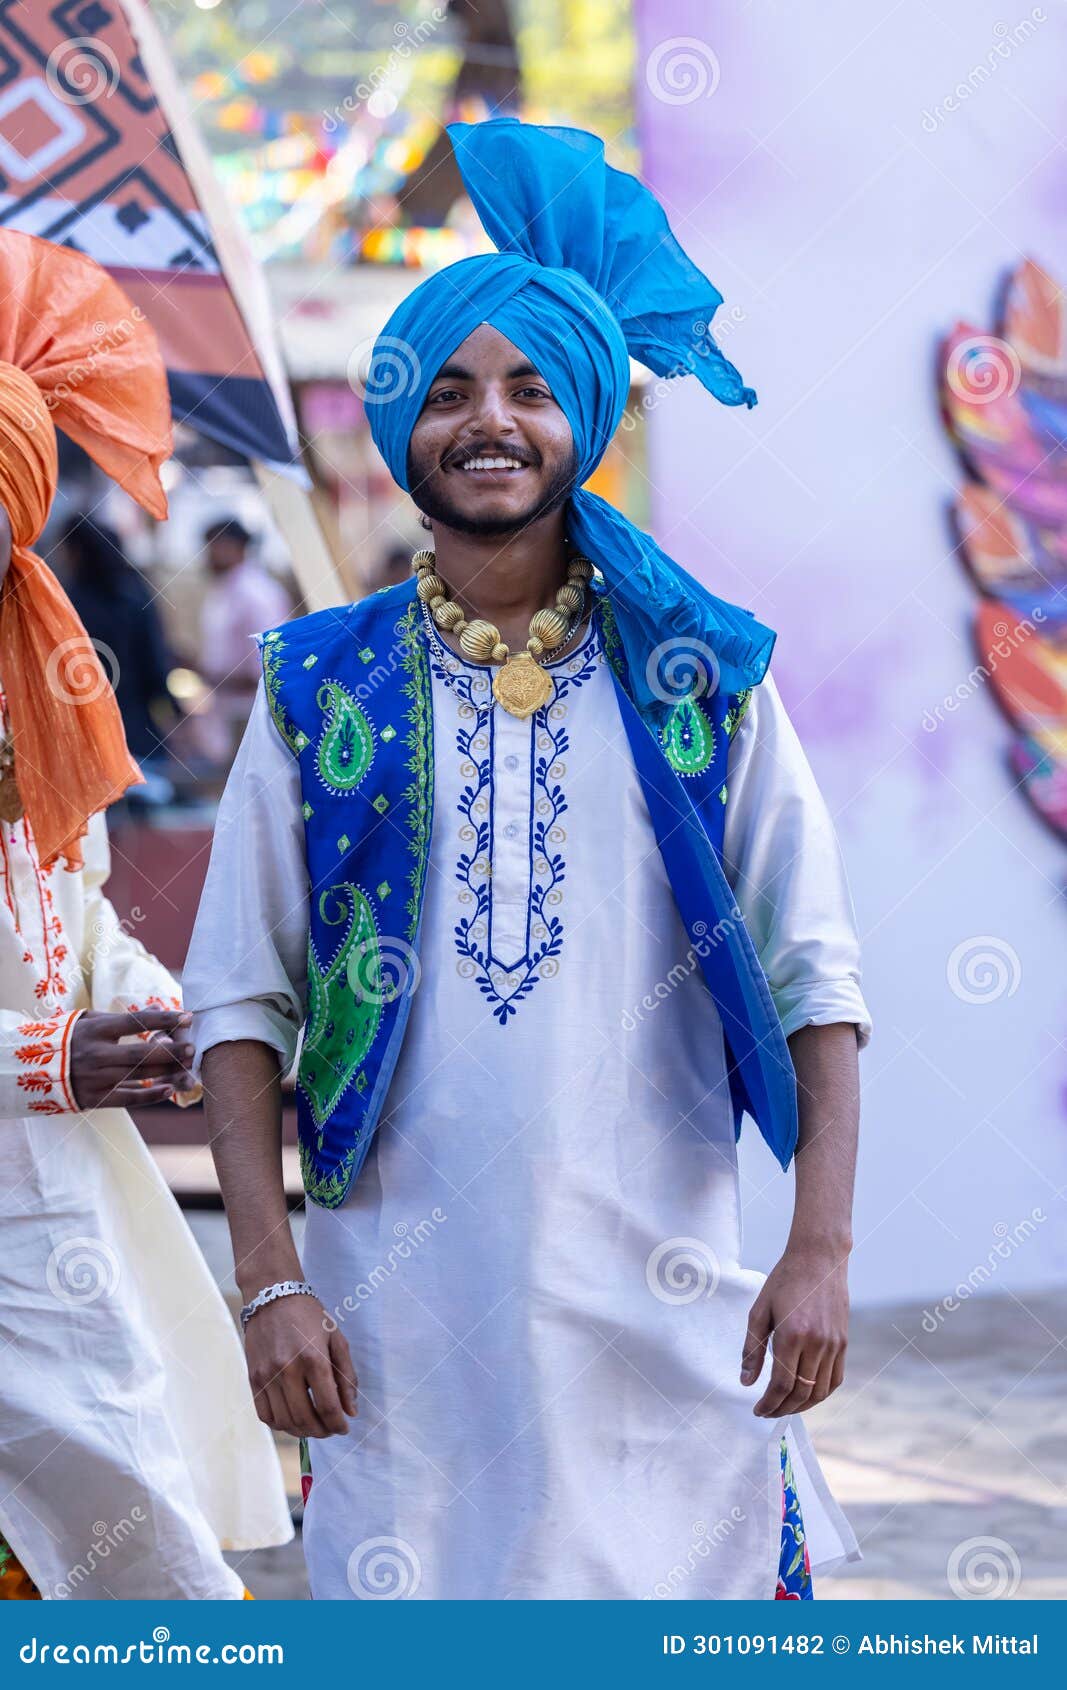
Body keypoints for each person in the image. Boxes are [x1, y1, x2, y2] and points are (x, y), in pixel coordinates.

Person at [185, 120, 872, 1602]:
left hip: (667, 1323)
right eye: (445, 390)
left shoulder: (705, 680)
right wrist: (269, 1281)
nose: (485, 419)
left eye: (524, 387)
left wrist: (817, 1249)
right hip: (395, 1342)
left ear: (582, 414)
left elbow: (815, 969)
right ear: (398, 430)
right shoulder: (316, 690)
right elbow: (239, 1004)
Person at [0, 228, 292, 1599]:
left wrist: (151, 1001)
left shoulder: (43, 687)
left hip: (62, 1212)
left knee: (125, 1531)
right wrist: (50, 1057)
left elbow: (83, 902)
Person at [59, 516, 180, 797]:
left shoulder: (68, 603)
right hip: (140, 735)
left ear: (78, 552)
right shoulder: (136, 595)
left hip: (87, 741)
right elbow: (156, 668)